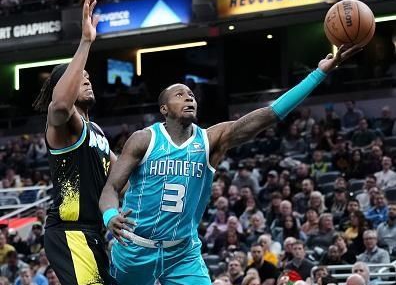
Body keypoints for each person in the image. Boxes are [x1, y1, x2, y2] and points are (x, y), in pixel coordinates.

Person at [99, 45, 360, 285]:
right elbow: (111, 188)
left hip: (182, 252)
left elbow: (268, 116)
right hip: (135, 247)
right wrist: (111, 216)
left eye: (192, 95)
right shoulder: (144, 139)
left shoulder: (211, 140)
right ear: (164, 109)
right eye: (180, 95)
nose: (189, 98)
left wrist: (318, 74)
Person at [32, 0, 116, 285]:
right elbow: (58, 106)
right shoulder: (60, 125)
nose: (87, 79)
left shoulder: (98, 133)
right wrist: (85, 43)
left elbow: (122, 177)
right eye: (80, 76)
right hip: (70, 231)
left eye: (88, 76)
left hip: (93, 232)